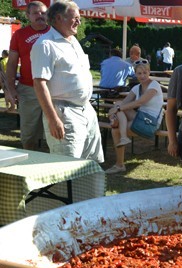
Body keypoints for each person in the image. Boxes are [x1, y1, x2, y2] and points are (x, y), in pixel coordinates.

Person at [31, 0, 103, 162]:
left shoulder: (73, 41)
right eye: (75, 18)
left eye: (79, 18)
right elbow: (39, 83)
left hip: (86, 110)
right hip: (63, 113)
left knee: (91, 163)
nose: (79, 21)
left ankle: (90, 189)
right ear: (58, 18)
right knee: (66, 166)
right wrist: (53, 119)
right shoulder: (45, 44)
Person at [105, 60, 164, 174]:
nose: (142, 76)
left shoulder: (154, 85)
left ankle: (120, 164)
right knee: (118, 104)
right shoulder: (136, 88)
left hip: (150, 122)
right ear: (135, 74)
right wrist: (114, 113)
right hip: (140, 117)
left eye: (145, 72)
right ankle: (123, 139)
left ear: (149, 72)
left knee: (115, 129)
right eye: (139, 73)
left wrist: (116, 111)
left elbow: (140, 102)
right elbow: (123, 104)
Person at [5, 1, 49, 150]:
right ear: (28, 15)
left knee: (55, 133)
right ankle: (30, 162)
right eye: (36, 13)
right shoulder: (20, 34)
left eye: (43, 13)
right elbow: (11, 63)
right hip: (29, 89)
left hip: (54, 89)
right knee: (29, 134)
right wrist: (10, 89)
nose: (40, 16)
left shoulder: (56, 33)